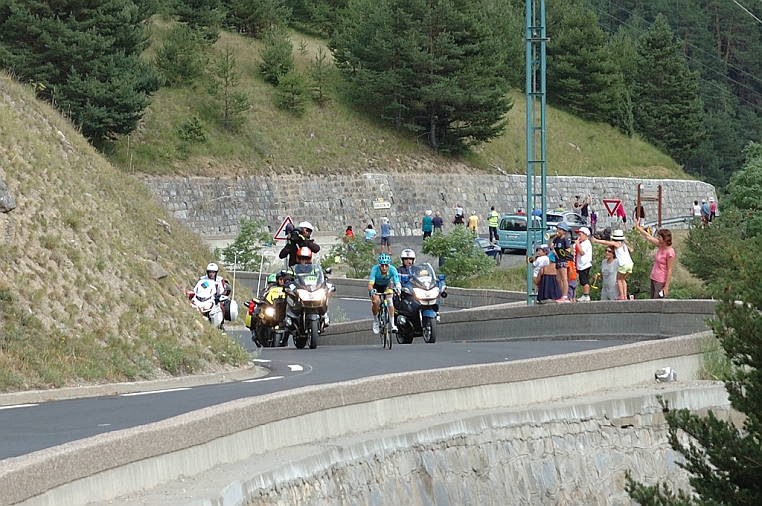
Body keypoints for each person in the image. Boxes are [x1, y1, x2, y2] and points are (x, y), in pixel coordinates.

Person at [592, 229, 634, 300]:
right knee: (623, 279)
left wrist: (596, 240)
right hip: (630, 264)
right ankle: (625, 295)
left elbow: (606, 242)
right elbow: (631, 250)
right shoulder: (624, 245)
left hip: (623, 264)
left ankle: (621, 295)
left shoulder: (617, 244)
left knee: (618, 280)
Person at [636, 225, 675, 299]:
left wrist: (666, 287)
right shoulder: (661, 246)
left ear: (664, 239)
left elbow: (669, 270)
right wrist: (639, 228)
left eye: (659, 237)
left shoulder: (670, 252)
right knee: (652, 300)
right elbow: (649, 237)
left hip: (660, 280)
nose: (658, 238)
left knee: (657, 302)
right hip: (654, 277)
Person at [367, 254, 401, 334]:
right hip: (376, 286)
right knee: (376, 302)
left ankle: (392, 324)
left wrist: (398, 288)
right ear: (379, 265)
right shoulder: (375, 270)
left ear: (389, 265)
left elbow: (397, 282)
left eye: (386, 265)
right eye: (382, 265)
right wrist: (372, 291)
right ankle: (376, 321)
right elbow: (370, 284)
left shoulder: (392, 269)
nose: (384, 268)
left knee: (390, 300)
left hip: (386, 285)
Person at [551, 222, 572, 302]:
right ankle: (562, 294)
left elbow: (568, 250)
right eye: (558, 229)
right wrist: (552, 238)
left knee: (564, 278)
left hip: (562, 260)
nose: (558, 231)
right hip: (557, 260)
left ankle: (565, 296)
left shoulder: (564, 240)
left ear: (564, 231)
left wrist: (559, 252)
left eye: (560, 229)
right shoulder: (557, 239)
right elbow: (550, 246)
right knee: (558, 279)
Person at [575, 227, 593, 301]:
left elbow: (582, 252)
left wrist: (577, 244)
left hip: (585, 265)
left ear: (586, 235)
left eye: (580, 235)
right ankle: (584, 294)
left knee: (584, 280)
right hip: (581, 265)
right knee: (582, 280)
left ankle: (586, 295)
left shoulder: (586, 243)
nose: (579, 237)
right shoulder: (583, 243)